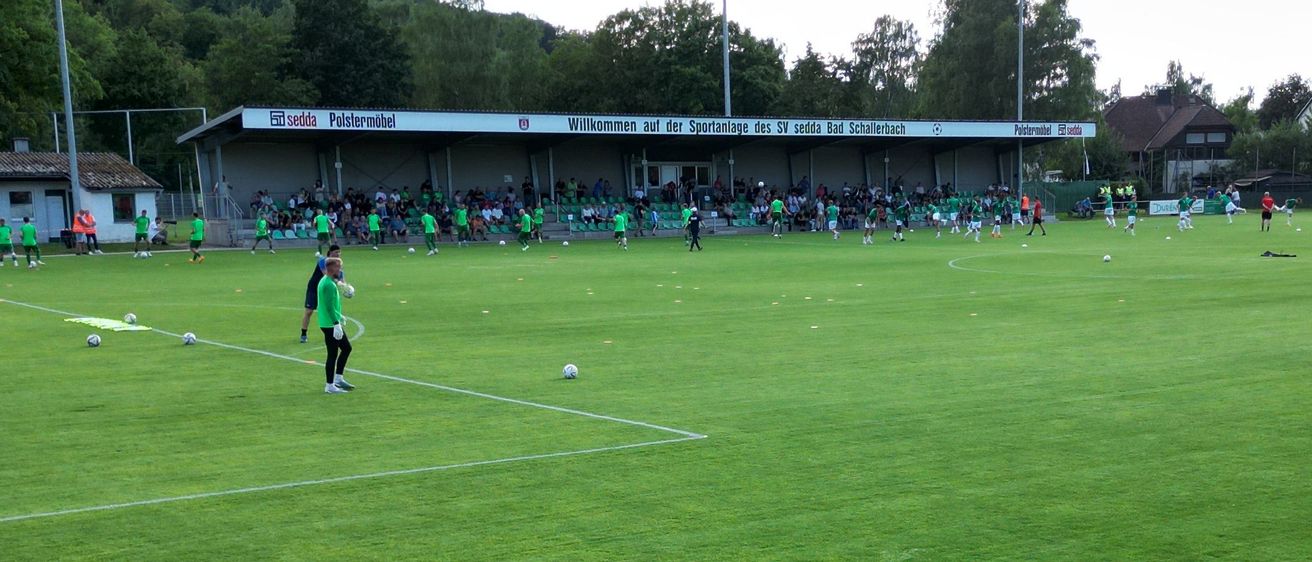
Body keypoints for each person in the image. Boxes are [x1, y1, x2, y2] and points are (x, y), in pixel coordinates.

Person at [316, 257, 355, 394]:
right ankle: (330, 385)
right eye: (339, 267)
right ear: (331, 268)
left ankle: (338, 378)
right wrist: (336, 323)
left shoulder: (327, 282)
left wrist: (339, 316)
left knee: (346, 348)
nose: (340, 270)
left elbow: (330, 306)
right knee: (333, 354)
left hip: (329, 322)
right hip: (329, 324)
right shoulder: (328, 285)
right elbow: (328, 307)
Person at [301, 244, 343, 343]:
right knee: (309, 311)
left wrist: (346, 288)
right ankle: (303, 333)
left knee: (330, 310)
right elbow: (327, 274)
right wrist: (339, 282)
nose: (338, 254)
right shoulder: (323, 261)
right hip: (314, 288)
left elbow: (341, 277)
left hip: (326, 290)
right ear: (330, 252)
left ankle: (333, 331)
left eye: (339, 252)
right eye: (336, 252)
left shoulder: (339, 264)